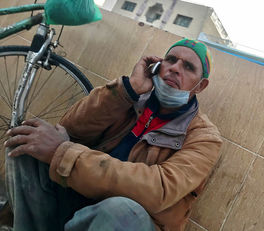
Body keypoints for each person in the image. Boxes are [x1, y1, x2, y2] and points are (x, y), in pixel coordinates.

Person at [4, 38, 223, 231]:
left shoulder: (204, 137)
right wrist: (130, 88)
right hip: (81, 190)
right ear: (158, 65)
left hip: (130, 220)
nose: (175, 68)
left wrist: (63, 154)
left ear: (200, 85)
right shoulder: (131, 95)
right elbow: (70, 128)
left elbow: (159, 190)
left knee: (123, 211)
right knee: (26, 140)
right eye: (171, 59)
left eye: (188, 67)